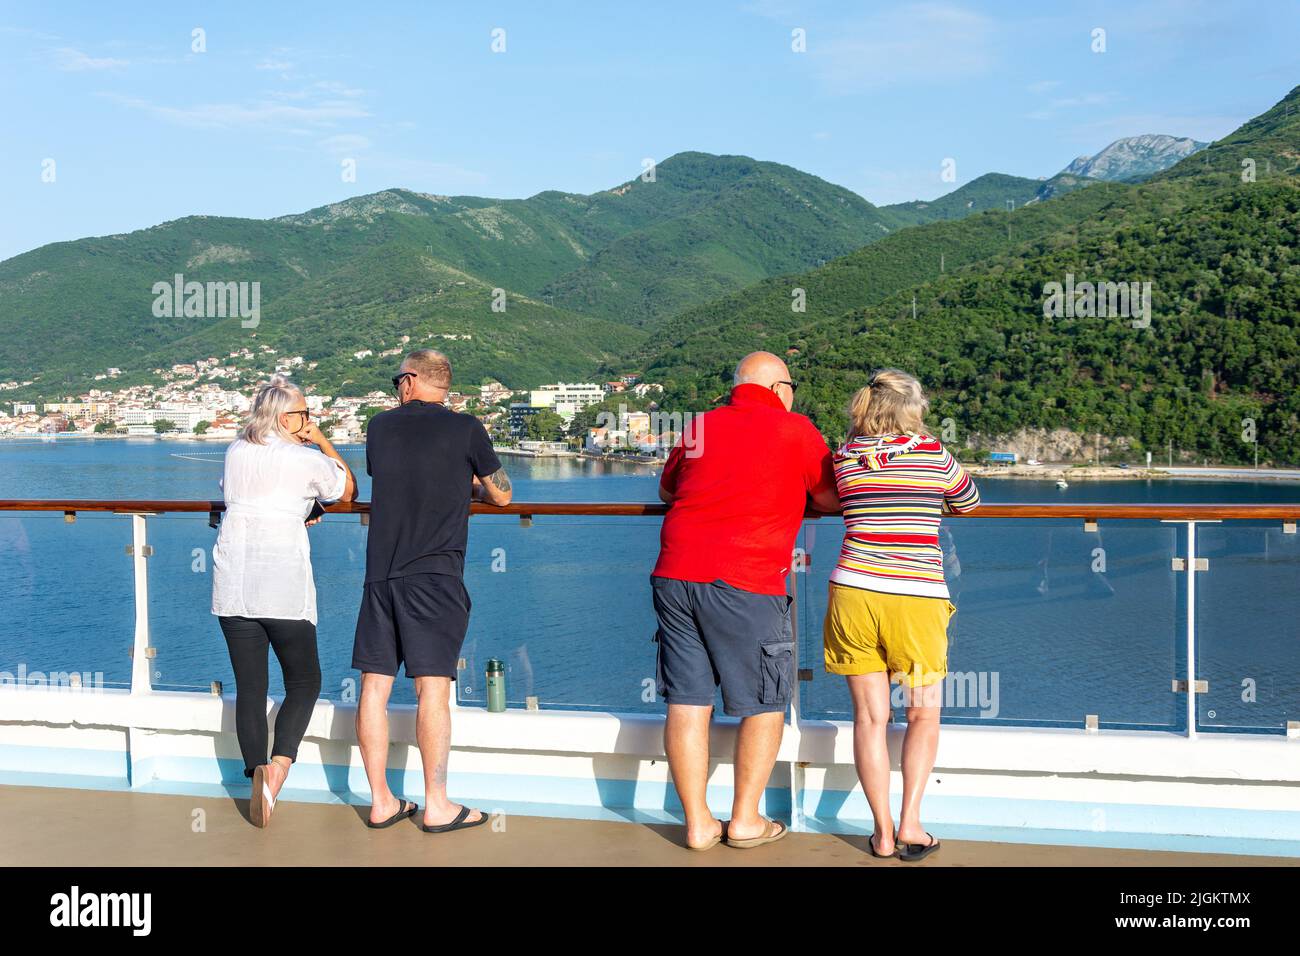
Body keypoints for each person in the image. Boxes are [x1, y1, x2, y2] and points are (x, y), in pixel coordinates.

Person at [651, 351, 840, 850]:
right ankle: (746, 820)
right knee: (765, 703)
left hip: (674, 573)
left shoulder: (699, 427)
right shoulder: (795, 429)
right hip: (748, 579)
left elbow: (669, 490)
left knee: (688, 701)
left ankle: (697, 825)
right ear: (780, 388)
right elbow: (828, 499)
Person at [351, 349, 512, 832]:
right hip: (434, 576)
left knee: (373, 688)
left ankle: (381, 801)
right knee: (432, 689)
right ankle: (437, 805)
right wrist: (469, 489)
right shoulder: (467, 428)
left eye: (396, 378)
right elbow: (502, 493)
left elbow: (400, 477)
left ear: (410, 381)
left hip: (381, 574)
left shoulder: (378, 427)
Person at [822, 369, 980, 862]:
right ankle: (912, 823)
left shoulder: (844, 458)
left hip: (853, 593)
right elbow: (970, 501)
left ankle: (883, 832)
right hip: (916, 598)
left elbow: (830, 500)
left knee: (870, 719)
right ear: (912, 411)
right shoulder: (931, 453)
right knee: (922, 712)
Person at [212, 376, 357, 828]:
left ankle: (254, 770)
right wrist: (321, 440)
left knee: (250, 689)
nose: (309, 421)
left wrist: (300, 503)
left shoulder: (236, 450)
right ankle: (278, 770)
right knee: (305, 681)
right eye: (305, 414)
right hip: (282, 586)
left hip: (233, 583)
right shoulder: (304, 456)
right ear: (285, 417)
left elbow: (240, 495)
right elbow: (346, 490)